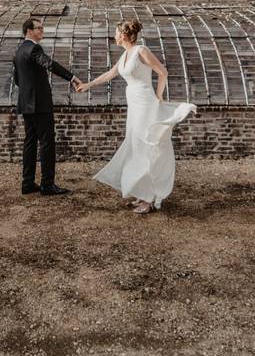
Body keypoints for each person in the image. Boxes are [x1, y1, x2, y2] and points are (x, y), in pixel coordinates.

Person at [77, 19, 196, 214]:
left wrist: (159, 95)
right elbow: (109, 74)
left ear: (124, 35)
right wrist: (87, 85)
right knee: (135, 145)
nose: (114, 36)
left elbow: (162, 72)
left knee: (144, 145)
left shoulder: (141, 51)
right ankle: (142, 192)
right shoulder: (126, 54)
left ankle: (148, 198)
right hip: (134, 105)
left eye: (116, 33)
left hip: (146, 103)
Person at [13, 17, 82, 196]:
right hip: (40, 104)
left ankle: (27, 183)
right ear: (29, 30)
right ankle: (47, 184)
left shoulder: (19, 51)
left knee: (29, 142)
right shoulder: (34, 49)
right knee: (47, 143)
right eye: (39, 28)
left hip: (26, 104)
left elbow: (17, 80)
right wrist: (72, 78)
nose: (42, 31)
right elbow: (49, 64)